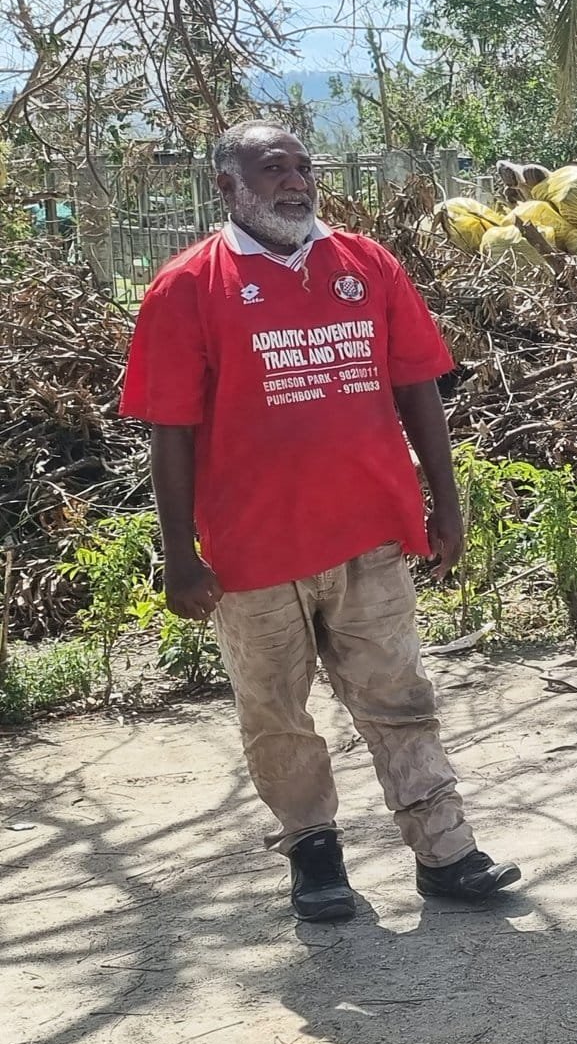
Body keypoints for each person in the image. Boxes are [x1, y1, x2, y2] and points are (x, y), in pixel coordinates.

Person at [120, 121, 522, 922]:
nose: (296, 181)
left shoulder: (367, 265)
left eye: (303, 166)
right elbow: (171, 430)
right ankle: (314, 855)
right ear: (228, 187)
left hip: (371, 531)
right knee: (276, 711)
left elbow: (417, 388)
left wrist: (446, 504)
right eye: (274, 169)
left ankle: (445, 851)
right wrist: (180, 556)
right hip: (251, 550)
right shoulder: (187, 285)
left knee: (398, 695)